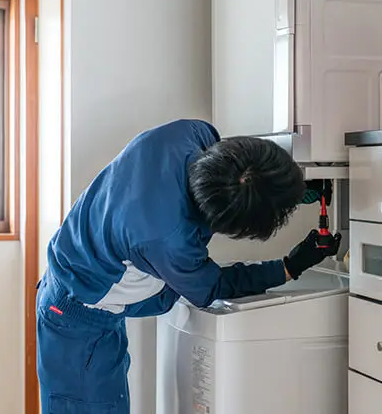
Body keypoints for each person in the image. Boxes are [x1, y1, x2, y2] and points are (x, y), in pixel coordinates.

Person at [36, 119, 340, 413]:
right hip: (77, 316)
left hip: (81, 276)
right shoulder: (168, 241)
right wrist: (289, 267)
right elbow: (212, 287)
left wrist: (284, 189)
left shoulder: (187, 134)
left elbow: (234, 175)